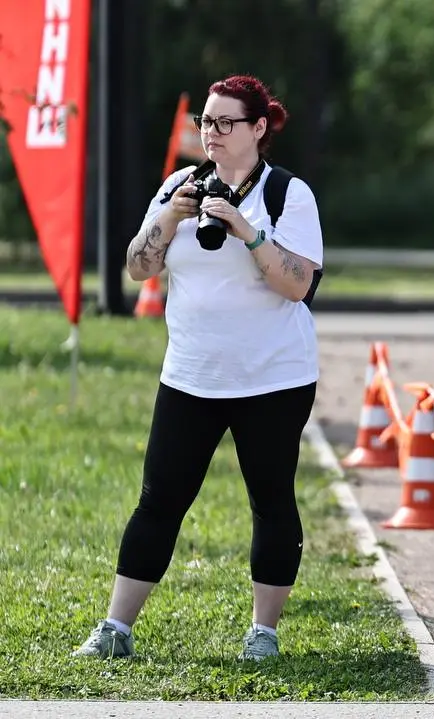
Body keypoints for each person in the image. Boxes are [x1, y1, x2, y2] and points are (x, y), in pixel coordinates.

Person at [71, 74, 324, 662]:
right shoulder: (178, 185)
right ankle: (116, 629)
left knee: (271, 501)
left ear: (258, 129)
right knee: (159, 500)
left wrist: (246, 229)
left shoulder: (289, 195)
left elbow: (297, 285)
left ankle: (263, 634)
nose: (211, 133)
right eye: (205, 122)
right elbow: (139, 268)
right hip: (190, 376)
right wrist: (167, 220)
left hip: (273, 379)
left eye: (225, 122)